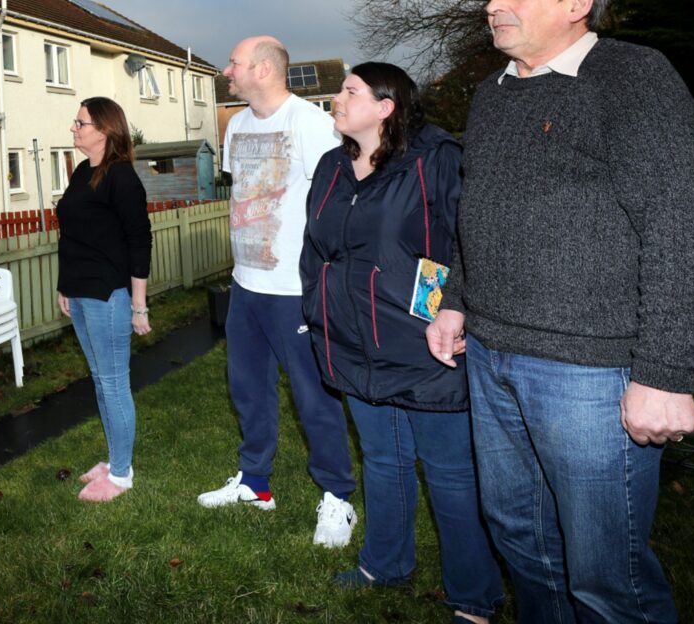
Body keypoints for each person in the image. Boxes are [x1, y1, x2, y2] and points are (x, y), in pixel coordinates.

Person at [426, 0, 694, 624]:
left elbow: (679, 226)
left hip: (590, 372)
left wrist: (667, 372)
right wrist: (456, 302)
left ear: (577, 3)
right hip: (492, 359)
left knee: (606, 577)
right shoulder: (492, 95)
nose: (493, 5)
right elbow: (481, 210)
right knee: (523, 544)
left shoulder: (631, 77)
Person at [300, 63, 503, 624]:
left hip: (423, 343)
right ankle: (384, 564)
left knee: (451, 474)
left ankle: (475, 597)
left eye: (349, 91)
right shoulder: (332, 166)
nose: (337, 100)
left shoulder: (436, 159)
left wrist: (451, 315)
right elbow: (315, 249)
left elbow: (463, 242)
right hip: (352, 342)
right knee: (383, 460)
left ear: (386, 106)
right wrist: (316, 310)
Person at [199, 35, 358, 547]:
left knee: (313, 398)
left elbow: (338, 204)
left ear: (264, 69)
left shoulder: (312, 126)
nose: (227, 71)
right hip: (246, 283)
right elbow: (247, 196)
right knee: (247, 389)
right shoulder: (237, 125)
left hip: (294, 289)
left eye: (235, 63)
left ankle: (337, 497)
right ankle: (254, 483)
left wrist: (323, 276)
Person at [56, 96, 153, 502]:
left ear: (105, 130)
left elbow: (139, 240)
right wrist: (64, 286)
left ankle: (121, 474)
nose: (74, 129)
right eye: (75, 123)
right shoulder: (82, 172)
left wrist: (138, 304)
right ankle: (114, 459)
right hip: (79, 292)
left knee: (113, 384)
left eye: (81, 123)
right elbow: (73, 235)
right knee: (100, 380)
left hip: (108, 295)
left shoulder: (122, 177)